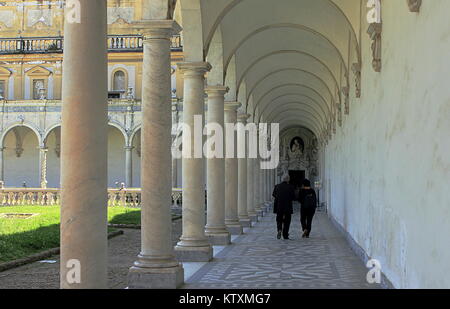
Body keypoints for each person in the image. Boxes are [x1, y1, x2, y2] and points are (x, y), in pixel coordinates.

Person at [272, 173, 296, 240]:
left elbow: (273, 194)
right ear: (288, 180)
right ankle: (285, 235)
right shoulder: (291, 187)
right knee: (287, 221)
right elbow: (293, 197)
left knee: (279, 219)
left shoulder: (277, 186)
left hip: (279, 206)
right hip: (287, 206)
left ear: (282, 179)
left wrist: (279, 197)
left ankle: (279, 229)